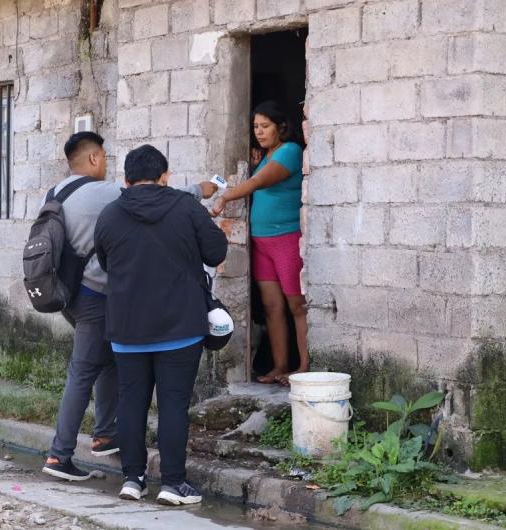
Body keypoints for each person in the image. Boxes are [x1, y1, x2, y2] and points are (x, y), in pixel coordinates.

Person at [42, 133, 217, 482]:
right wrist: (203, 188)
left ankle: (107, 437)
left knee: (110, 361)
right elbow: (156, 196)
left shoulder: (56, 192)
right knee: (84, 370)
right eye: (104, 157)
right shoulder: (105, 194)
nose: (106, 164)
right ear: (93, 159)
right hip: (96, 295)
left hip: (71, 293)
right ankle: (59, 456)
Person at [94, 145, 227, 505]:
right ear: (165, 176)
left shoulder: (109, 215)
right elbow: (216, 252)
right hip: (180, 327)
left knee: (131, 402)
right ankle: (173, 483)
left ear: (125, 179)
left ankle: (132, 480)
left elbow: (106, 263)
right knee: (172, 405)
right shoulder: (186, 207)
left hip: (126, 327)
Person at [211, 100, 307, 386]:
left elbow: (258, 184)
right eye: (255, 127)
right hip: (261, 241)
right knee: (271, 307)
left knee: (296, 305)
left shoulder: (290, 152)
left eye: (265, 126)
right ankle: (280, 366)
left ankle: (303, 367)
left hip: (286, 238)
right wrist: (254, 164)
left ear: (281, 127)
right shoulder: (266, 156)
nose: (259, 132)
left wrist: (226, 196)